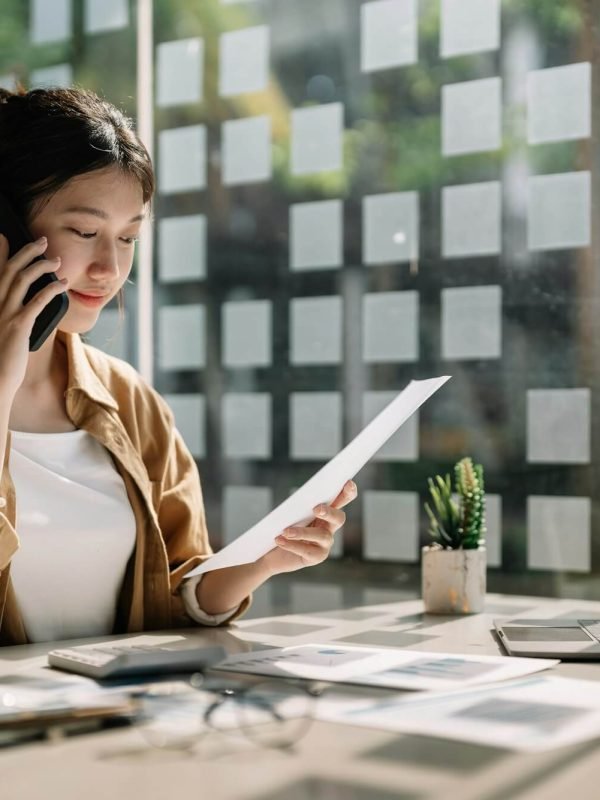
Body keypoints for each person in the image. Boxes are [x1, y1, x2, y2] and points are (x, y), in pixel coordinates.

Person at [0, 86, 357, 646]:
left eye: (129, 237)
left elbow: (170, 596)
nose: (109, 267)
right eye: (86, 232)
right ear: (8, 233)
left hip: (100, 724)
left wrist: (260, 561)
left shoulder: (124, 398)